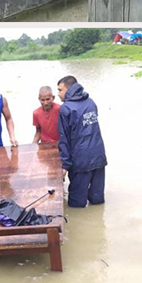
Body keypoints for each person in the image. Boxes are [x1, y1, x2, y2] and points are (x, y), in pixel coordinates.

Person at [57, 75, 107, 208]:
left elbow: (64, 139)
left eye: (60, 90)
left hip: (80, 161)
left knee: (77, 204)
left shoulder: (66, 109)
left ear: (69, 89)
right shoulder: (91, 102)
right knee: (97, 201)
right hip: (99, 156)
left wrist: (65, 165)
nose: (58, 94)